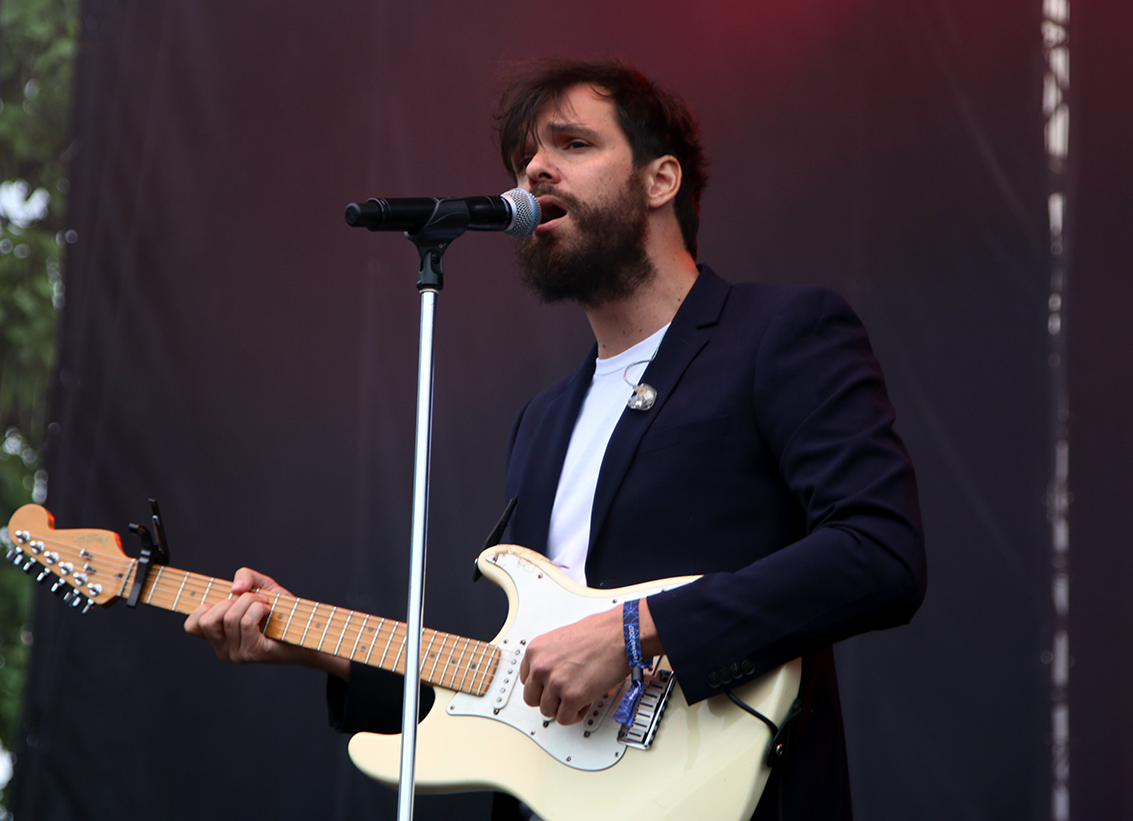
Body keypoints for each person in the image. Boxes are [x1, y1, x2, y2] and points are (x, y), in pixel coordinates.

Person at [184, 59, 926, 820]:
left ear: (660, 180)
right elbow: (517, 693)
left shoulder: (779, 334)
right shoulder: (542, 420)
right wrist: (315, 643)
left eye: (573, 144)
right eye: (523, 158)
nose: (534, 169)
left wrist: (636, 632)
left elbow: (879, 551)